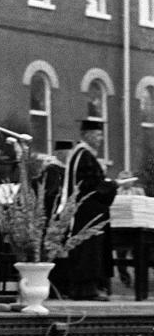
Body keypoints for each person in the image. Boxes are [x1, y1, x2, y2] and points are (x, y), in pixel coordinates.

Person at [61, 119, 118, 301]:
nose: (100, 139)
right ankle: (86, 290)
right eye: (98, 134)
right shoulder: (83, 155)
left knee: (88, 249)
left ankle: (84, 289)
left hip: (88, 211)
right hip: (87, 212)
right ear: (86, 135)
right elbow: (91, 187)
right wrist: (111, 185)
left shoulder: (84, 155)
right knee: (88, 249)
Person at [114, 170, 146, 288]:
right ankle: (125, 278)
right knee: (120, 255)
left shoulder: (139, 191)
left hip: (136, 227)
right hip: (121, 227)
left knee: (138, 255)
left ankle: (140, 281)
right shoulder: (116, 192)